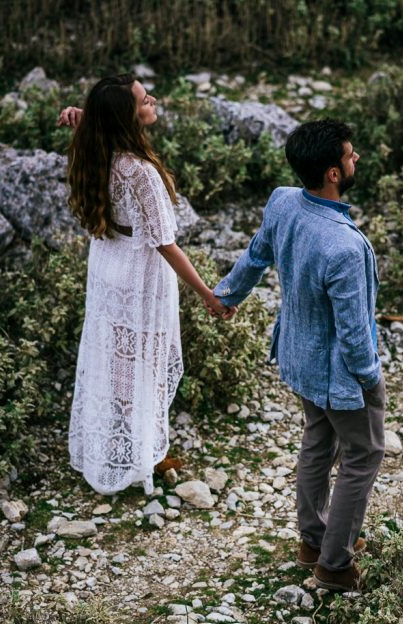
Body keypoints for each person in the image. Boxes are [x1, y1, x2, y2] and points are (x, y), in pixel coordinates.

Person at [214, 120, 384, 592]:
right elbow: (353, 334)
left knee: (317, 440)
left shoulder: (283, 201)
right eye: (350, 156)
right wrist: (371, 378)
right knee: (363, 454)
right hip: (340, 375)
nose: (356, 160)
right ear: (332, 173)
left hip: (297, 357)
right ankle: (334, 565)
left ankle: (313, 540)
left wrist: (227, 295)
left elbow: (255, 256)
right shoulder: (345, 246)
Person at [62, 74, 231, 496]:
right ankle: (144, 456)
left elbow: (97, 125)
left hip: (109, 260)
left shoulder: (95, 146)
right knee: (147, 364)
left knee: (117, 360)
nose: (152, 100)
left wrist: (82, 118)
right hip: (139, 271)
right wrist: (208, 294)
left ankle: (125, 445)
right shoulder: (140, 173)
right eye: (142, 100)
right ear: (127, 116)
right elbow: (166, 245)